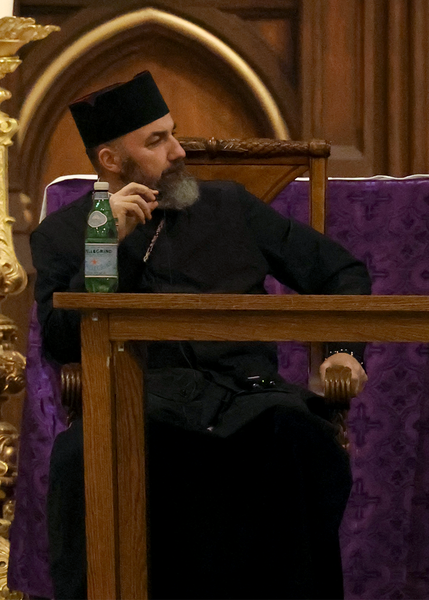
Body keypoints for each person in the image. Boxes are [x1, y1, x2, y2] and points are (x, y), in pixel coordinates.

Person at [31, 71, 371, 599]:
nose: (178, 150)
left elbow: (341, 272)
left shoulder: (230, 206)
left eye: (173, 133)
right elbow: (60, 341)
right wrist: (103, 247)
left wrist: (344, 352)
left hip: (251, 398)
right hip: (139, 403)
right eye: (156, 141)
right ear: (111, 162)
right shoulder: (66, 232)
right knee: (82, 457)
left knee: (301, 439)